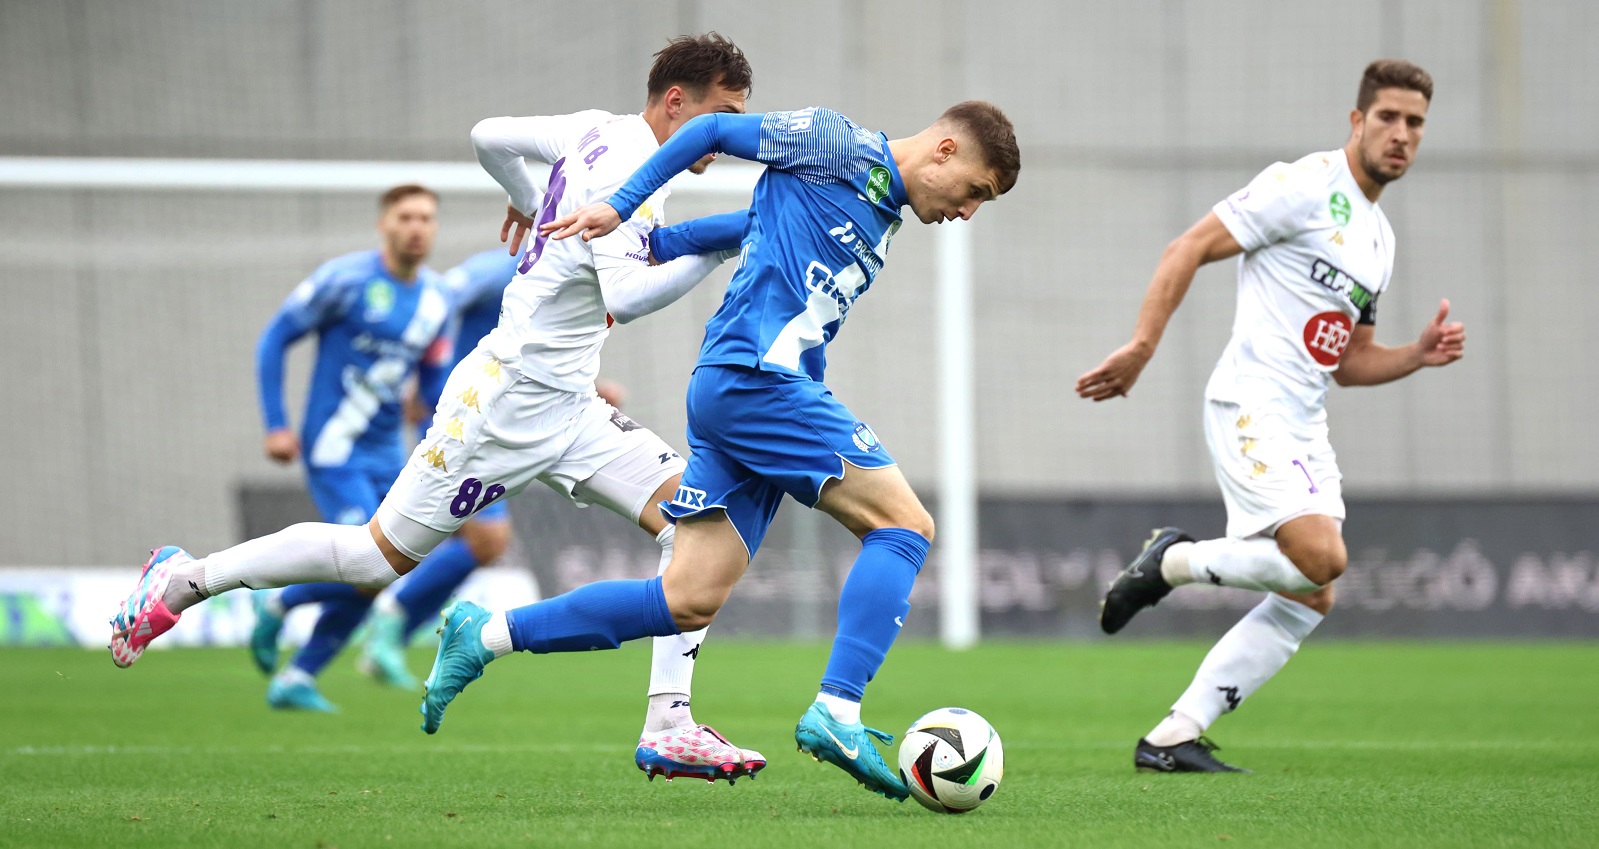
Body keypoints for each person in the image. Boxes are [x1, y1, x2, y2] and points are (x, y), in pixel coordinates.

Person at [110, 33, 766, 783]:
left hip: (568, 405)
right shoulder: (625, 168)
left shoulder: (593, 128)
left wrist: (528, 203)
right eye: (718, 116)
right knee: (369, 559)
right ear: (675, 100)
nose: (724, 138)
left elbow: (488, 137)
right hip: (500, 404)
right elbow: (626, 295)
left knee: (696, 528)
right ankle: (183, 579)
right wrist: (721, 246)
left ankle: (668, 724)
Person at [418, 99, 1020, 802]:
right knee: (905, 526)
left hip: (741, 394)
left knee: (687, 598)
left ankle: (485, 635)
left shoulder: (878, 209)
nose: (967, 212)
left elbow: (751, 226)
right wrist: (620, 207)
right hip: (755, 384)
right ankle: (838, 709)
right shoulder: (835, 143)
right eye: (975, 191)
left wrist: (663, 245)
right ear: (945, 150)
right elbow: (708, 130)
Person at [1077, 60, 1464, 772]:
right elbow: (1187, 247)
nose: (1400, 134)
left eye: (1414, 123)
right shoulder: (1304, 185)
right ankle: (1172, 560)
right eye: (1387, 117)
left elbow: (1349, 361)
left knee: (1310, 592)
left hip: (1304, 420)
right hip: (1250, 401)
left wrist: (1416, 354)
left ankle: (1171, 736)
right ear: (1356, 121)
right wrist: (1140, 346)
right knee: (1322, 557)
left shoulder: (1377, 241)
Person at [237, 184, 455, 712]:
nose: (416, 227)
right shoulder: (344, 280)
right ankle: (282, 602)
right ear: (384, 224)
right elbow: (274, 339)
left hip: (388, 454)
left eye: (426, 217)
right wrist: (276, 424)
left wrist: (437, 423)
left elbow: (433, 380)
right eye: (405, 216)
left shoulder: (438, 299)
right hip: (334, 447)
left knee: (384, 570)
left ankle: (297, 676)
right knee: (367, 562)